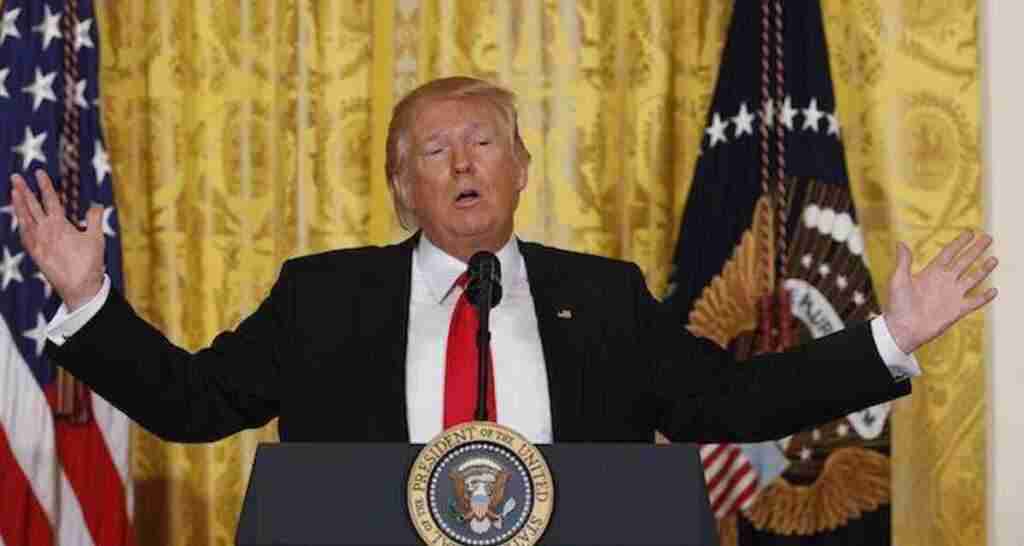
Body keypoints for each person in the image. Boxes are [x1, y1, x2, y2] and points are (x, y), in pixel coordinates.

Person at [8, 76, 998, 445]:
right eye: (434, 151)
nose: (462, 163)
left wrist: (888, 337)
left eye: (483, 141)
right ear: (402, 186)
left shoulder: (603, 296)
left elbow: (727, 404)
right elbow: (193, 406)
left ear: (521, 168)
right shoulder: (323, 296)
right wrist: (88, 297)